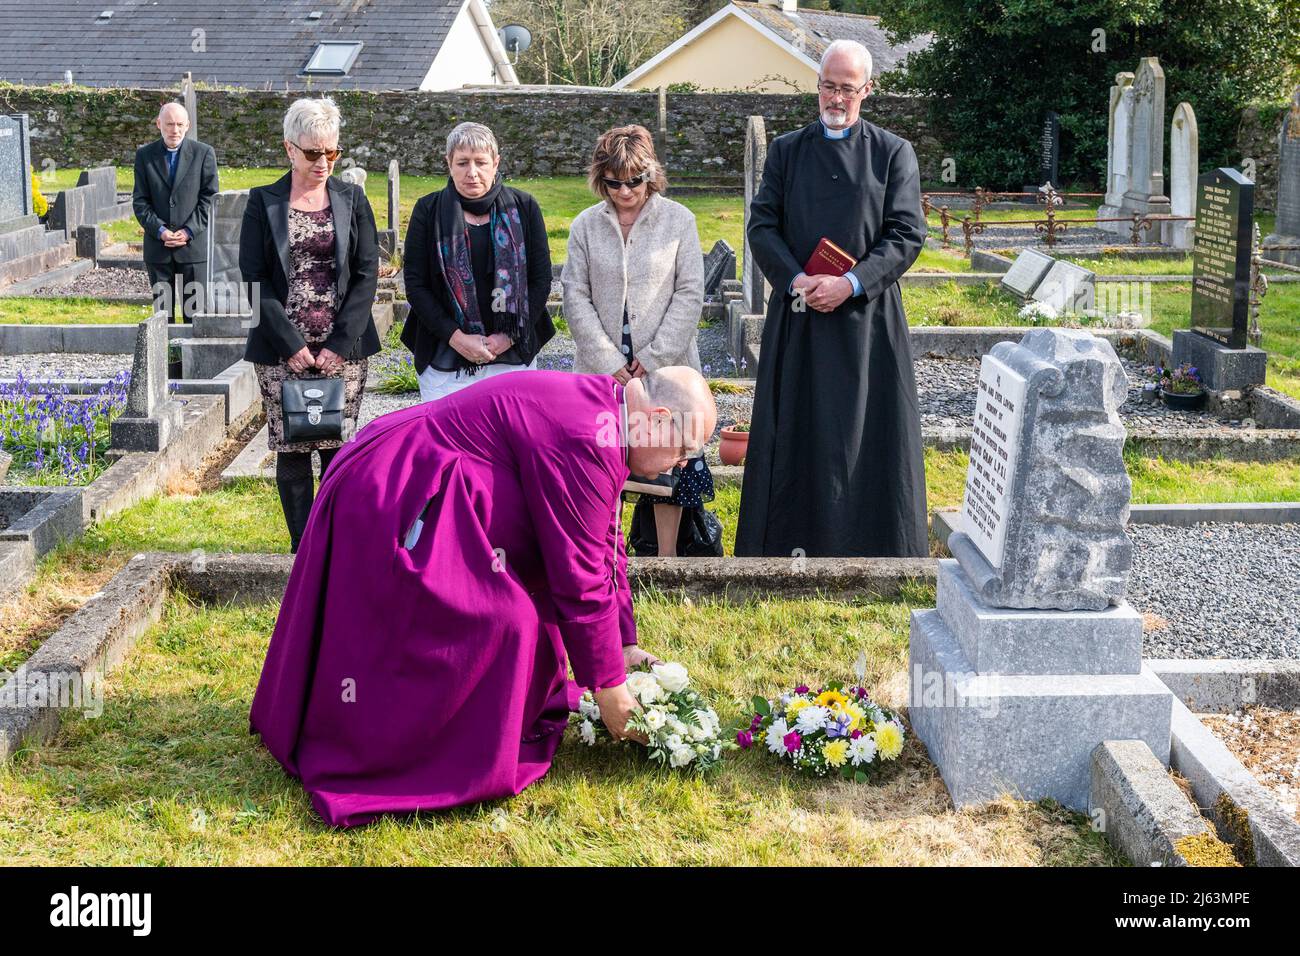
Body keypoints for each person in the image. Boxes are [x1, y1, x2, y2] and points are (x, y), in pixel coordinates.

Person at [249, 366, 718, 827]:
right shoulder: (593, 436)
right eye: (685, 450)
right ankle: (400, 743)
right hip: (398, 487)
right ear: (656, 418)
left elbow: (604, 542)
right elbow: (579, 579)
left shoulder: (610, 418)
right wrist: (611, 690)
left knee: (521, 615)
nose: (682, 464)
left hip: (429, 473)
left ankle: (482, 726)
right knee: (502, 617)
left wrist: (623, 644)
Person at [735, 40, 929, 558]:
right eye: (828, 85)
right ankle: (785, 545)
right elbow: (762, 225)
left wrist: (851, 283)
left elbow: (906, 233)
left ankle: (875, 545)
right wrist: (796, 279)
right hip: (799, 316)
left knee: (865, 434)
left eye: (847, 87)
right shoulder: (786, 150)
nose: (836, 97)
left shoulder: (893, 153)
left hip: (867, 318)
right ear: (817, 86)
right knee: (798, 429)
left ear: (867, 90)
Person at [239, 97, 381, 554]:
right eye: (313, 153)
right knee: (294, 448)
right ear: (289, 149)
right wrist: (290, 344)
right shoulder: (263, 202)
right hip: (283, 348)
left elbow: (366, 273)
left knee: (337, 451)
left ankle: (340, 547)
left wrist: (340, 343)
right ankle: (304, 549)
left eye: (333, 152)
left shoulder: (352, 198)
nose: (324, 162)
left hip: (343, 348)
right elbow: (253, 278)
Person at [563, 125, 710, 556]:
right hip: (603, 371)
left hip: (665, 368)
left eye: (634, 181)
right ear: (600, 178)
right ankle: (606, 552)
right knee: (605, 461)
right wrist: (609, 360)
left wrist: (652, 356)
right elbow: (575, 294)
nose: (625, 191)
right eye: (614, 182)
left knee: (669, 463)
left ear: (651, 175)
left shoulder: (679, 220)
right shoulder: (585, 226)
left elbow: (689, 292)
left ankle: (665, 557)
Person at [402, 122, 554, 402]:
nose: (472, 172)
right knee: (449, 443)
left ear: (495, 163)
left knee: (509, 442)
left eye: (481, 162)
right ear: (449, 163)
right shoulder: (428, 210)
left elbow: (541, 280)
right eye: (462, 162)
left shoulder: (524, 206)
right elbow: (415, 284)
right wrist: (458, 338)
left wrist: (507, 338)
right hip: (445, 353)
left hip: (513, 352)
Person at [131, 102, 219, 323]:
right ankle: (168, 359)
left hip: (193, 248)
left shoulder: (204, 154)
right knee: (162, 319)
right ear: (159, 124)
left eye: (180, 124)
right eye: (169, 124)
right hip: (158, 249)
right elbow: (140, 201)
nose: (175, 130)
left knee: (195, 317)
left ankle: (192, 359)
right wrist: (160, 230)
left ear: (188, 125)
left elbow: (209, 199)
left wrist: (188, 230)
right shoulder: (145, 156)